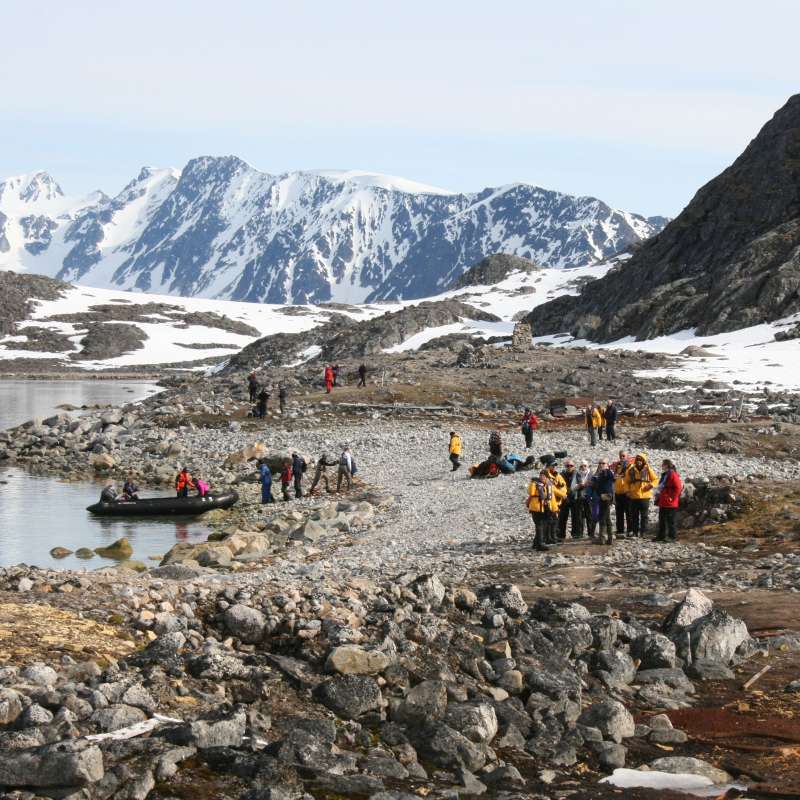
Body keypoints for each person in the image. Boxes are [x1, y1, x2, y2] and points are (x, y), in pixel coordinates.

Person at [625, 453, 657, 538]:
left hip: (645, 496)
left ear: (644, 461)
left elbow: (655, 479)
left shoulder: (648, 469)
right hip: (634, 496)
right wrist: (627, 491)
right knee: (634, 516)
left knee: (644, 516)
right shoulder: (631, 470)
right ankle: (635, 532)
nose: (639, 461)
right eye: (638, 459)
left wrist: (650, 485)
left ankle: (644, 532)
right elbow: (626, 482)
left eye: (641, 460)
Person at [655, 459, 683, 541]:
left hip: (670, 502)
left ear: (666, 465)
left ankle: (672, 537)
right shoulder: (666, 474)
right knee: (662, 519)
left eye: (663, 464)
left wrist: (672, 497)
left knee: (671, 520)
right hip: (664, 501)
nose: (662, 466)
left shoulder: (672, 474)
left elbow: (678, 487)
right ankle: (661, 536)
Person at [589, 459, 615, 544]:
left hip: (606, 496)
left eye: (603, 463)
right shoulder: (600, 474)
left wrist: (606, 470)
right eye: (600, 463)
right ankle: (609, 538)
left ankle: (602, 539)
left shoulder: (607, 472)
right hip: (602, 496)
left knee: (602, 517)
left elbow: (611, 477)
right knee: (606, 517)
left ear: (607, 465)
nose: (601, 465)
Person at [527, 470, 552, 552]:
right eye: (540, 475)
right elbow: (530, 492)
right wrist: (533, 483)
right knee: (539, 525)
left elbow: (550, 496)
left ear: (547, 477)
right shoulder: (535, 484)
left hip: (545, 507)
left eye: (544, 475)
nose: (542, 477)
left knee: (544, 524)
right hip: (536, 507)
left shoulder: (547, 484)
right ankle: (540, 544)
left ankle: (536, 543)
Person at [544, 460, 567, 544]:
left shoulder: (557, 475)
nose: (554, 467)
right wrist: (563, 495)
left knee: (555, 520)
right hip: (551, 501)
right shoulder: (546, 475)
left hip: (557, 501)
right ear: (548, 466)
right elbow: (552, 489)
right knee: (550, 520)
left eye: (555, 466)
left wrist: (562, 490)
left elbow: (563, 484)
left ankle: (553, 537)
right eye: (552, 465)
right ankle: (549, 538)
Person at [569, 460, 593, 538]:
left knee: (589, 515)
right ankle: (579, 533)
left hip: (589, 497)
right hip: (579, 497)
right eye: (581, 466)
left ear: (587, 466)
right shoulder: (577, 474)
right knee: (579, 516)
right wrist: (579, 485)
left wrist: (588, 484)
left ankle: (591, 533)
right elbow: (572, 487)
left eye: (585, 466)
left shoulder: (591, 474)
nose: (583, 467)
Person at [611, 450, 632, 538]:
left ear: (627, 457)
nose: (622, 457)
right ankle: (620, 530)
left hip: (627, 493)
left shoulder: (631, 467)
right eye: (620, 456)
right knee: (619, 513)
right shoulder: (617, 467)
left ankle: (630, 530)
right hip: (618, 492)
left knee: (629, 512)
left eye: (623, 456)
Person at [558, 459, 577, 539]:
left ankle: (575, 534)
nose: (569, 467)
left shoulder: (577, 474)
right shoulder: (561, 474)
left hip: (574, 498)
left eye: (571, 465)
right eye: (567, 465)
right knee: (562, 517)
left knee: (575, 517)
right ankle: (561, 535)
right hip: (564, 498)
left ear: (574, 466)